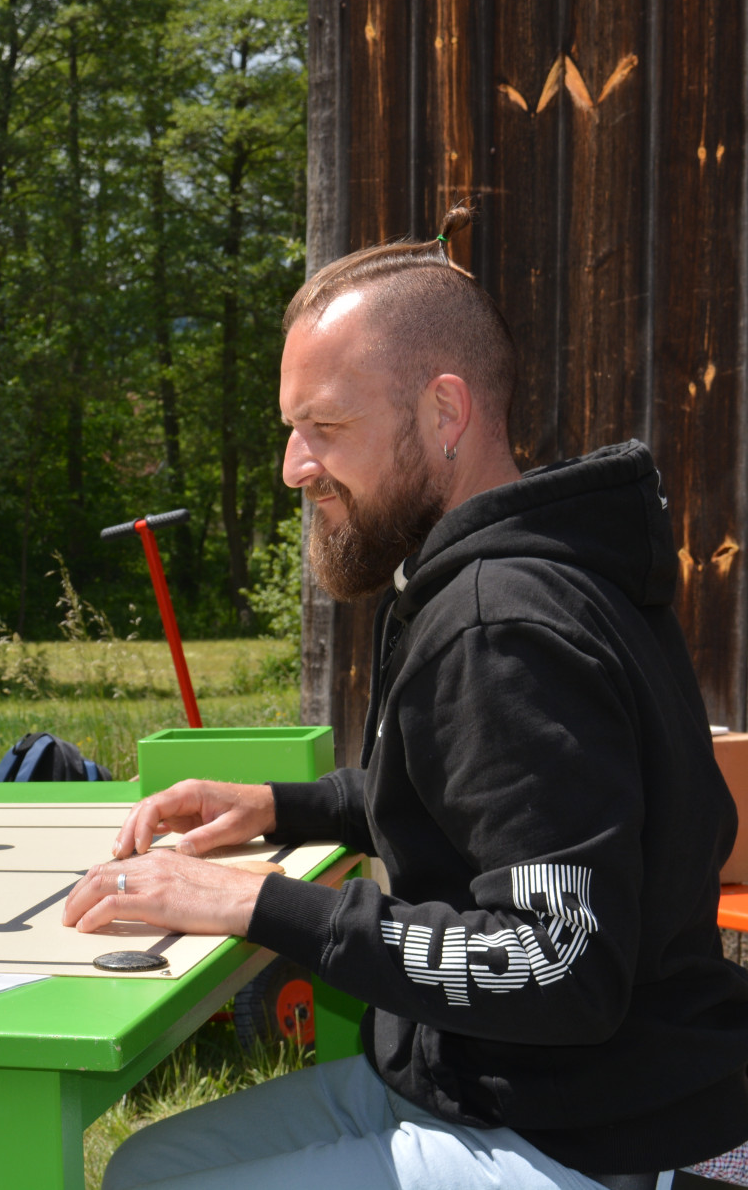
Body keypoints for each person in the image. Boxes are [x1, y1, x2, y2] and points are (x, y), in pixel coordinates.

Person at [65, 210, 748, 1190]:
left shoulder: (501, 625)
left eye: (325, 428)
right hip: (474, 1081)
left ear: (442, 413)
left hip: (581, 1133)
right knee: (149, 1163)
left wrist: (254, 901)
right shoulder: (505, 573)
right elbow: (469, 792)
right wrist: (279, 805)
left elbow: (555, 963)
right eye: (291, 429)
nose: (293, 466)